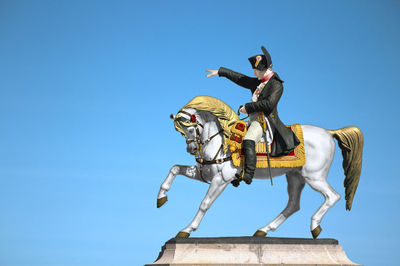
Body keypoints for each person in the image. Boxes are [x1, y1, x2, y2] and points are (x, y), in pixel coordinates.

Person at [206, 46, 300, 185]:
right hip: (253, 119)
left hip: (265, 121)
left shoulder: (276, 85)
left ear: (267, 69)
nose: (255, 72)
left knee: (248, 140)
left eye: (257, 70)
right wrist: (222, 71)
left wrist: (247, 108)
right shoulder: (259, 82)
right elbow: (241, 79)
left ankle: (248, 174)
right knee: (233, 135)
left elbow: (268, 104)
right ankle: (235, 171)